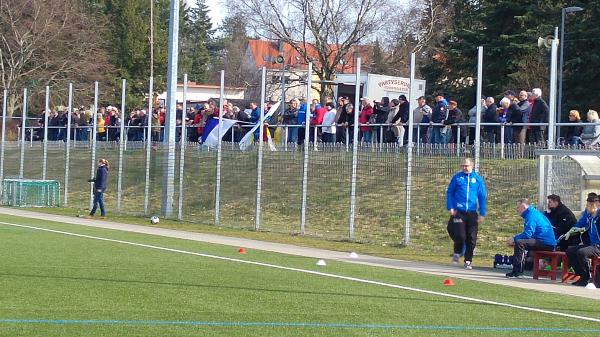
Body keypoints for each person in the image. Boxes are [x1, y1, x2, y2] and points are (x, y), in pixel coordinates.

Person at [446, 158, 487, 269]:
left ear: (472, 166)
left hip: (472, 213)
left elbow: (482, 196)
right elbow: (450, 192)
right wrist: (451, 207)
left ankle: (468, 260)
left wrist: (482, 212)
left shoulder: (477, 179)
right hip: (459, 212)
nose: (464, 167)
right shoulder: (457, 178)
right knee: (460, 235)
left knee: (472, 238)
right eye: (463, 165)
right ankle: (457, 252)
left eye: (466, 165)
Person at [505, 198, 556, 278]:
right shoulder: (532, 213)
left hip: (546, 243)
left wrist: (514, 239)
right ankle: (517, 270)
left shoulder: (531, 215)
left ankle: (518, 272)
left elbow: (527, 234)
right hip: (543, 241)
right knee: (519, 242)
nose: (517, 209)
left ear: (524, 207)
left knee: (520, 243)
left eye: (518, 207)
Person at [566, 194, 600, 286]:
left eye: (588, 205)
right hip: (592, 245)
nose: (587, 208)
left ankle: (586, 277)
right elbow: (580, 224)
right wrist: (571, 231)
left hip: (598, 246)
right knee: (570, 250)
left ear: (595, 205)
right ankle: (581, 275)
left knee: (582, 252)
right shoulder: (588, 216)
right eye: (587, 205)